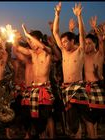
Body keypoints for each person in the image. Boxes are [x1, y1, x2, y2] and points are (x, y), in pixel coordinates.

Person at [53, 2, 87, 138]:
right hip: (66, 88)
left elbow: (83, 35)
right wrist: (57, 14)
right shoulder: (63, 52)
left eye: (66, 41)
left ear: (73, 41)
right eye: (62, 42)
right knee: (71, 120)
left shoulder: (80, 50)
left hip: (78, 87)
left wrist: (79, 16)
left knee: (81, 119)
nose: (63, 44)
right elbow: (55, 32)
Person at [83, 16, 105, 138]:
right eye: (85, 43)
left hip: (97, 89)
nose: (86, 45)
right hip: (87, 90)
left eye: (89, 43)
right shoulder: (84, 56)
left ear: (94, 44)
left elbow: (101, 42)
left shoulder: (99, 55)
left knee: (90, 120)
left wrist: (96, 30)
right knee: (91, 121)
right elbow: (82, 38)